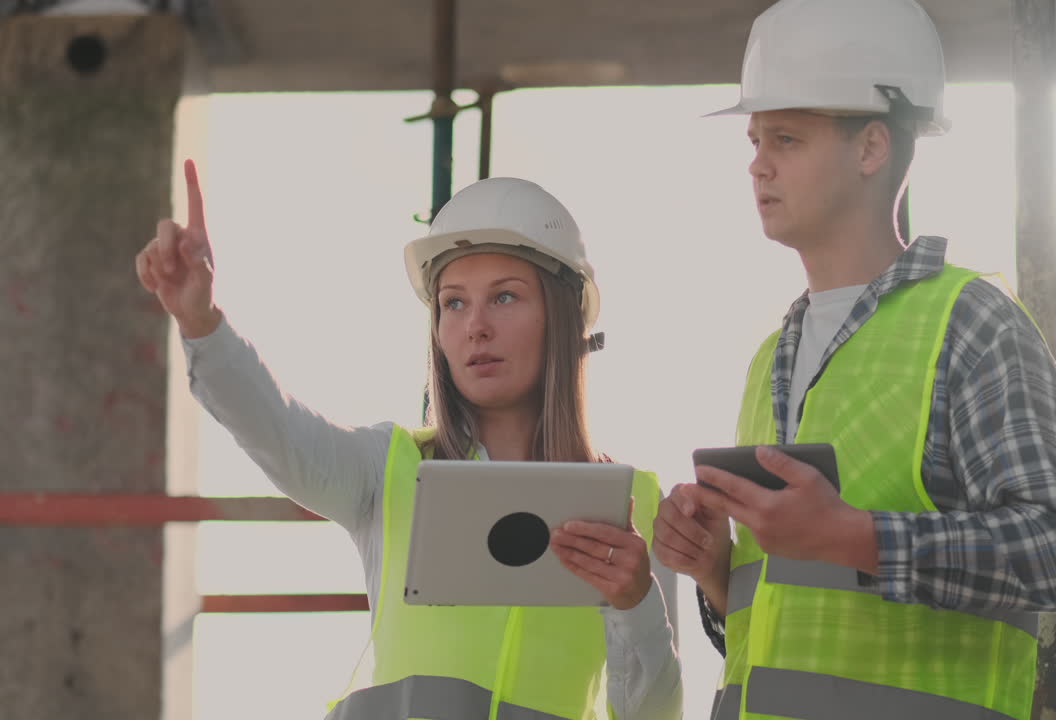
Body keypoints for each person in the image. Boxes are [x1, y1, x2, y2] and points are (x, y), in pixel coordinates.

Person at [652, 1, 1056, 719]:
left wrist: (855, 535)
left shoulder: (971, 324)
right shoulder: (771, 359)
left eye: (786, 139)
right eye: (756, 141)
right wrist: (715, 572)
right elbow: (783, 628)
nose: (758, 164)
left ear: (871, 149)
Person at [136, 163, 682, 720]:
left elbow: (653, 715)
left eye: (505, 297)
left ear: (563, 317)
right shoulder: (391, 468)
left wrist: (636, 603)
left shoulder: (631, 503)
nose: (475, 327)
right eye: (454, 302)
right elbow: (278, 430)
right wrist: (202, 323)